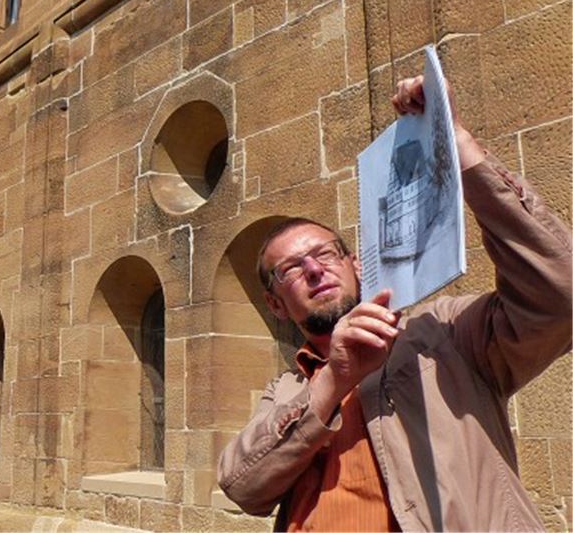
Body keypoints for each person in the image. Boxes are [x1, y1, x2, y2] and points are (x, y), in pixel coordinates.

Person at [217, 75, 572, 531]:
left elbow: (559, 294)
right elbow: (243, 487)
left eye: (325, 254)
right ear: (276, 305)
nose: (313, 269)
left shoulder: (443, 334)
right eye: (290, 268)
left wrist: (458, 144)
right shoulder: (286, 390)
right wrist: (335, 380)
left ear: (356, 265)